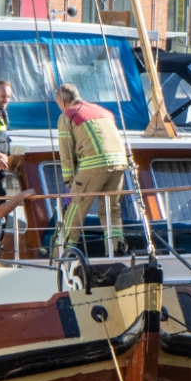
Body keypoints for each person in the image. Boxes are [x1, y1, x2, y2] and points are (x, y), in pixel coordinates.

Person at [55, 83, 130, 255]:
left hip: (93, 166)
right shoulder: (103, 111)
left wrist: (69, 182)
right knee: (112, 210)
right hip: (119, 163)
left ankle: (63, 254)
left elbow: (66, 154)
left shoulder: (68, 115)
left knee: (74, 210)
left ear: (62, 102)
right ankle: (116, 248)